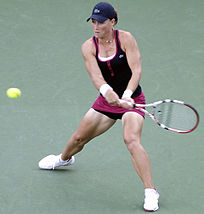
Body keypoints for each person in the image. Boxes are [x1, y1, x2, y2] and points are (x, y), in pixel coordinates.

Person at [38, 2, 159, 212]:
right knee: (78, 138)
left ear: (112, 22)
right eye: (93, 22)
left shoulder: (126, 39)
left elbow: (136, 70)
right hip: (106, 101)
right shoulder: (88, 46)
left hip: (133, 101)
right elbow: (96, 75)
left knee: (131, 140)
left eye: (101, 22)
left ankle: (151, 191)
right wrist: (107, 92)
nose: (96, 26)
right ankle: (64, 159)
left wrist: (128, 95)